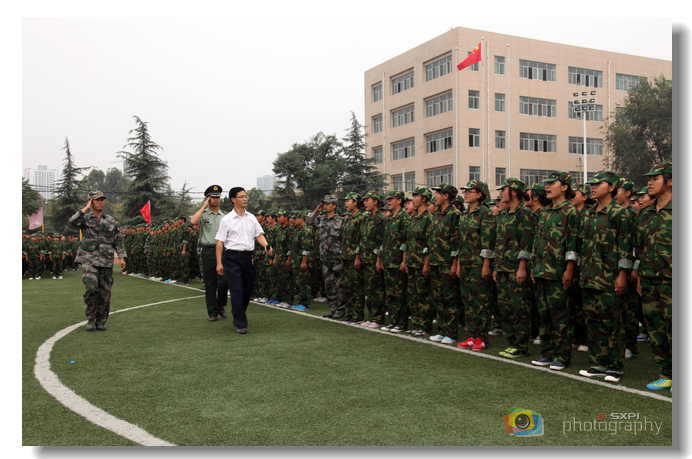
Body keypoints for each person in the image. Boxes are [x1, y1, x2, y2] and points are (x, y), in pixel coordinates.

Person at [578, 171, 632, 383]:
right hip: (589, 276)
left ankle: (615, 367)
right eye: (591, 184)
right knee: (593, 322)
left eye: (598, 183)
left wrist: (622, 275)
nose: (592, 187)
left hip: (610, 277)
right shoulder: (588, 213)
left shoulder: (620, 213)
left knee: (613, 324)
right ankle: (598, 364)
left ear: (611, 187)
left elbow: (625, 245)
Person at [529, 172, 580, 371]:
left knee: (560, 316)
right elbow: (537, 241)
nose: (547, 187)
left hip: (558, 272)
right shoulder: (544, 212)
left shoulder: (570, 212)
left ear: (565, 187)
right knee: (544, 316)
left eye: (552, 183)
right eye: (547, 184)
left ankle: (561, 356)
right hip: (541, 271)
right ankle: (547, 353)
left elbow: (573, 244)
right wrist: (534, 265)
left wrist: (569, 269)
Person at [632, 162, 673, 391]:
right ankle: (666, 373)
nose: (649, 182)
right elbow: (641, 248)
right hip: (649, 279)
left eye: (655, 178)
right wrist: (639, 275)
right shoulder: (647, 213)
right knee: (656, 328)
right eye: (649, 179)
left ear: (671, 181)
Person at [215, 187, 272, 334]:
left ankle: (238, 313)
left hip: (248, 258)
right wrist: (219, 263)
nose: (245, 199)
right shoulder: (226, 220)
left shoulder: (251, 218)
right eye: (241, 196)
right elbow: (220, 242)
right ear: (233, 199)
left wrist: (266, 246)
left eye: (246, 196)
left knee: (247, 290)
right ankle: (241, 323)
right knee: (237, 290)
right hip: (232, 258)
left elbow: (259, 235)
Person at [69, 190, 127, 332]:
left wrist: (121, 257)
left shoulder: (110, 220)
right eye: (97, 200)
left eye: (102, 200)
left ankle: (101, 321)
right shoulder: (85, 218)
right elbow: (72, 221)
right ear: (91, 201)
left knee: (105, 292)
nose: (101, 202)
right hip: (89, 259)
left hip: (106, 260)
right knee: (91, 288)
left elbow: (117, 239)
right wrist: (85, 209)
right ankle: (91, 318)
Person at [494, 178, 535, 359]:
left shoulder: (523, 214)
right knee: (505, 307)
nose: (501, 193)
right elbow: (499, 242)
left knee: (520, 307)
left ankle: (521, 345)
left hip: (515, 268)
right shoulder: (504, 215)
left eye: (504, 189)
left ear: (514, 192)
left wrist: (522, 268)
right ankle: (511, 342)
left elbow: (526, 242)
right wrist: (496, 267)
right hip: (503, 267)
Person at [456, 180, 496, 352]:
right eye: (464, 191)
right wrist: (459, 263)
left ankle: (482, 337)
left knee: (481, 301)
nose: (465, 194)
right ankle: (473, 335)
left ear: (479, 194)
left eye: (469, 191)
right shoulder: (464, 214)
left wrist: (486, 265)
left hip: (479, 265)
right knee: (468, 301)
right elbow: (461, 242)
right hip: (465, 263)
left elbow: (488, 241)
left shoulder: (485, 213)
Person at [190, 185, 229, 322]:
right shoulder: (203, 214)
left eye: (218, 197)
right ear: (208, 198)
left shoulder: (224, 216)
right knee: (210, 282)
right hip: (208, 250)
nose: (216, 199)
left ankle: (220, 304)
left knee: (224, 281)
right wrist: (203, 207)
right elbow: (193, 221)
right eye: (213, 197)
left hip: (222, 250)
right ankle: (212, 311)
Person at [307, 195, 347, 319]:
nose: (325, 206)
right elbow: (308, 221)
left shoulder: (341, 221)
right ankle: (333, 309)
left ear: (334, 205)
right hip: (325, 259)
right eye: (324, 203)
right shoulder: (321, 219)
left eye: (328, 203)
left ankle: (341, 310)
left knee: (339, 285)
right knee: (329, 285)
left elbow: (344, 240)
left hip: (337, 258)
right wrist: (316, 210)